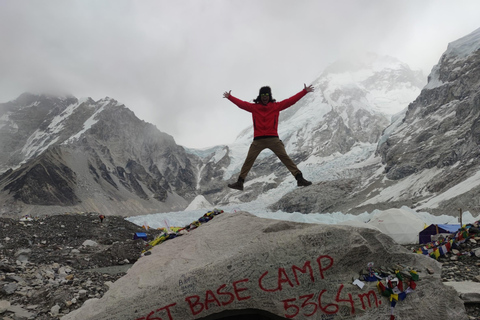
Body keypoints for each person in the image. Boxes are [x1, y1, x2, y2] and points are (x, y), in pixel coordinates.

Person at [223, 84, 314, 191]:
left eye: (267, 94)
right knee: (249, 160)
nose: (265, 97)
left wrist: (304, 92)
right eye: (263, 95)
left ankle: (299, 178)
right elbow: (242, 104)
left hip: (273, 139)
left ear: (269, 96)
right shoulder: (254, 108)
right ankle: (240, 182)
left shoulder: (276, 106)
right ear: (260, 96)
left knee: (285, 157)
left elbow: (291, 101)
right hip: (258, 140)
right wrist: (230, 97)